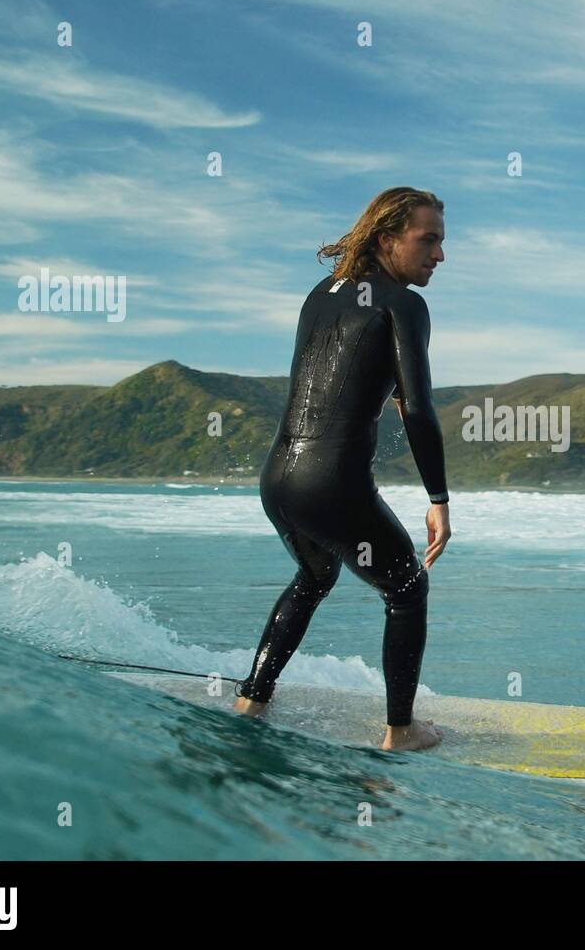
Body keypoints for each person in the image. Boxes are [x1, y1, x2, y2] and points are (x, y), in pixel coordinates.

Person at [233, 187, 451, 751]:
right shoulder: (403, 305)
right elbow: (419, 410)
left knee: (315, 575)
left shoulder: (318, 295)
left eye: (441, 243)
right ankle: (400, 732)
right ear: (387, 238)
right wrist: (439, 499)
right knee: (407, 588)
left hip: (279, 478)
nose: (439, 256)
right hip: (330, 485)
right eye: (427, 240)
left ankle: (252, 698)